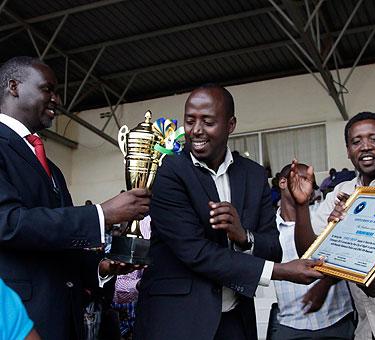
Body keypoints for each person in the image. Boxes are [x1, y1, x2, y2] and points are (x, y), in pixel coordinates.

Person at [135, 84, 323, 340]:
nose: (196, 130)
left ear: (230, 124)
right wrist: (280, 271)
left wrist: (245, 236)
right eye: (190, 121)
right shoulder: (170, 172)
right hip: (177, 321)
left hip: (235, 320)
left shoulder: (254, 175)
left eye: (208, 121)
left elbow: (272, 246)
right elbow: (195, 252)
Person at [0, 56, 151, 339]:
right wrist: (101, 215)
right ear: (14, 86)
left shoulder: (50, 166)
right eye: (48, 89)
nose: (57, 100)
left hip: (65, 317)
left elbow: (60, 244)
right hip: (20, 318)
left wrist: (100, 268)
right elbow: (8, 223)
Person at [289, 112, 375, 340]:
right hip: (365, 328)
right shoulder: (340, 194)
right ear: (348, 150)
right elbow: (308, 256)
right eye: (356, 141)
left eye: (374, 139)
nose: (365, 147)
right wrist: (302, 206)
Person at [267, 163, 354, 340]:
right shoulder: (267, 229)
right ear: (283, 183)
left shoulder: (324, 215)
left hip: (337, 321)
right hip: (291, 326)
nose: (306, 185)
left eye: (310, 181)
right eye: (301, 179)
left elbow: (345, 255)